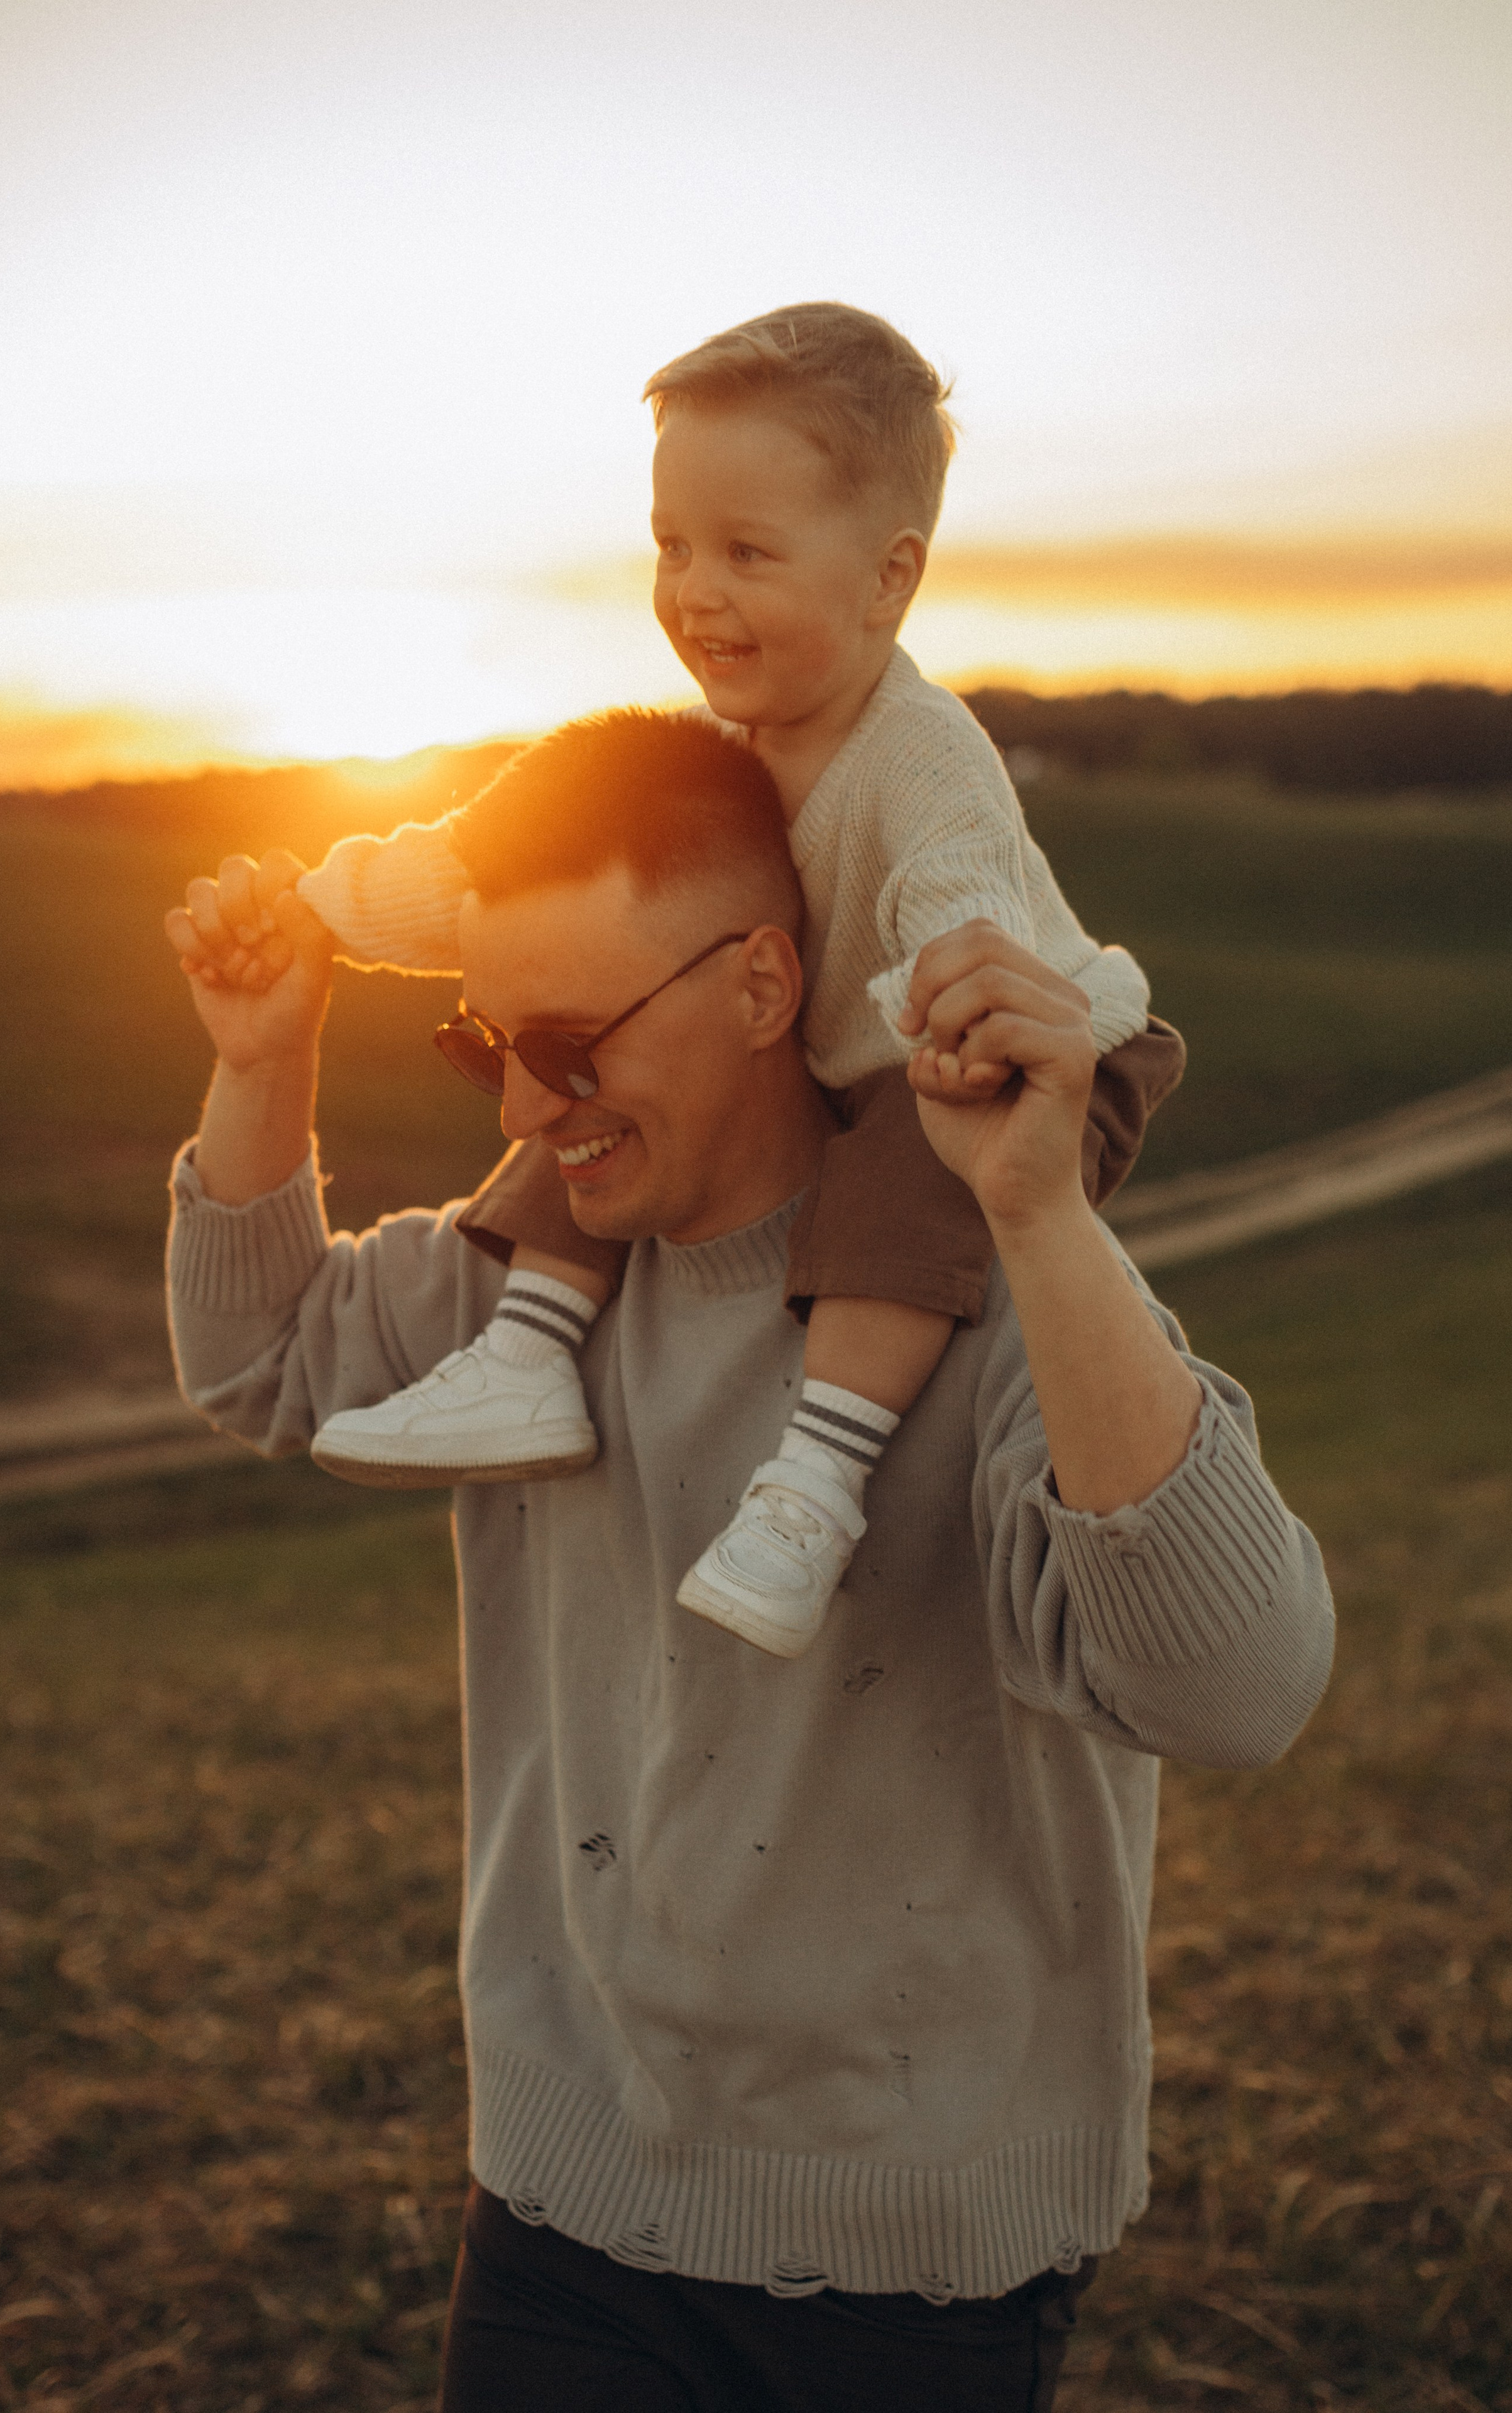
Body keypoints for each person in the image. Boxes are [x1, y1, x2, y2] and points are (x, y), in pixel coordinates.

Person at [165, 711, 1334, 2413]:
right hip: (561, 2207)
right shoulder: (525, 1297)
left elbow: (1244, 1692)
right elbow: (260, 1358)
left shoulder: (988, 1311)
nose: (521, 1102)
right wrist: (267, 1063)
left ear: (767, 985)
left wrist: (1044, 1224)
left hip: (912, 2269)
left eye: (569, 1043)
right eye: (486, 1039)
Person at [188, 302, 1183, 1662]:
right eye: (670, 546)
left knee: (901, 1174)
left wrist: (956, 996)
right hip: (839, 1054)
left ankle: (815, 1481)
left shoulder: (919, 757)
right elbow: (480, 877)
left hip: (999, 1047)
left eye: (746, 552)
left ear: (888, 579)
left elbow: (958, 902)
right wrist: (312, 912)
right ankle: (531, 1349)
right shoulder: (704, 754)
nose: (694, 591)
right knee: (581, 1051)